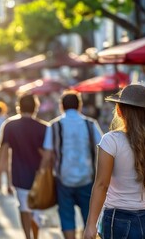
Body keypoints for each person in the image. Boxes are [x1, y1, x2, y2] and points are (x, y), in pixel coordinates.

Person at [84, 84, 145, 239]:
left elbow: (102, 184)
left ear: (119, 111)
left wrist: (90, 225)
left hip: (117, 219)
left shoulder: (111, 140)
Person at [41, 90, 102, 239]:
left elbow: (48, 155)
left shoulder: (54, 126)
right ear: (79, 105)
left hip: (63, 178)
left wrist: (41, 174)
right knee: (89, 218)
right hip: (87, 177)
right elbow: (102, 148)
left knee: (66, 217)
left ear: (61, 106)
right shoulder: (90, 124)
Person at [0, 94, 48, 239]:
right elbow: (49, 155)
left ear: (19, 107)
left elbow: (3, 154)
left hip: (19, 175)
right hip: (40, 176)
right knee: (37, 211)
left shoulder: (9, 125)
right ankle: (36, 236)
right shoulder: (44, 127)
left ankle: (27, 236)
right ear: (35, 107)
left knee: (24, 209)